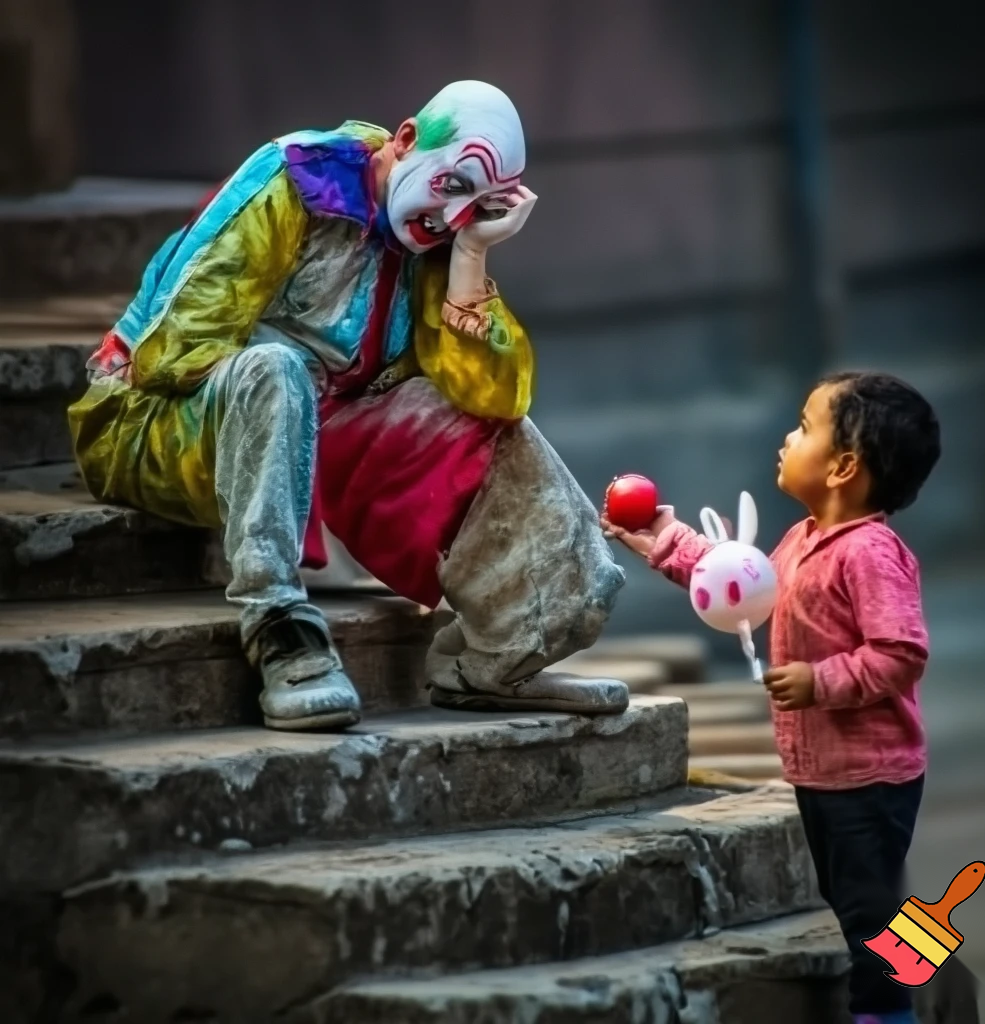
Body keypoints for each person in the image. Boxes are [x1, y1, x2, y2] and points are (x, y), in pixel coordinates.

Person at [69, 80, 627, 732]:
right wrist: (301, 379)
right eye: (452, 187)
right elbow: (168, 353)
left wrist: (472, 253)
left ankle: (497, 661)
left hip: (325, 424)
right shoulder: (296, 176)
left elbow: (496, 397)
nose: (448, 219)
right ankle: (279, 625)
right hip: (154, 421)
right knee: (276, 371)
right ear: (407, 140)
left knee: (495, 428)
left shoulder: (438, 243)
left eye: (478, 208)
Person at [602, 371, 942, 1024]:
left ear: (843, 466)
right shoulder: (803, 540)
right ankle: (914, 980)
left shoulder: (870, 555)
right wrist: (668, 541)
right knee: (856, 897)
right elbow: (742, 584)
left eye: (805, 426)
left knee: (870, 907)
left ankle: (889, 1012)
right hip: (821, 772)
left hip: (869, 774)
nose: (788, 437)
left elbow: (901, 654)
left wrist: (822, 681)